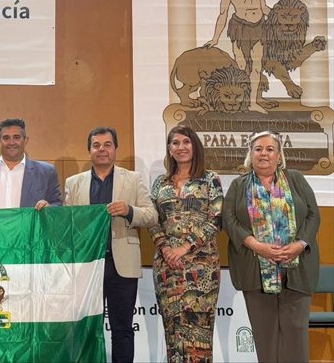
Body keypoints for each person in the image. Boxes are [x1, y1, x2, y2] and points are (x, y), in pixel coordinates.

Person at [222, 131, 320, 362]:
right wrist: (256, 245)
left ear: (279, 156)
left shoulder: (295, 179)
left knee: (296, 337)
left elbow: (313, 215)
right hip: (255, 272)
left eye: (269, 149)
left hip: (297, 270)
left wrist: (300, 244)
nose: (263, 154)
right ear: (250, 154)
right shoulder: (239, 186)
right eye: (258, 149)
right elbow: (229, 221)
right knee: (265, 339)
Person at [63, 127, 157, 362]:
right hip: (87, 267)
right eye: (97, 145)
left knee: (122, 329)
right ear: (89, 150)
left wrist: (129, 211)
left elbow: (152, 216)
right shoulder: (73, 183)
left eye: (107, 145)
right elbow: (65, 223)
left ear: (116, 149)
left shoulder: (133, 179)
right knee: (84, 329)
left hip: (121, 266)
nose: (102, 150)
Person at [148, 126, 223, 362]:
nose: (181, 147)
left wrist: (185, 246)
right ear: (169, 150)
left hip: (202, 267)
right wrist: (165, 248)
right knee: (173, 330)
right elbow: (152, 220)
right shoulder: (161, 182)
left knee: (198, 331)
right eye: (175, 143)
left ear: (195, 146)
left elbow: (216, 219)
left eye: (186, 142)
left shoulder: (210, 179)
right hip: (167, 267)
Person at [204, 0, 271, 113]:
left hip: (259, 27)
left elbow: (264, 7)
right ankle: (241, 102)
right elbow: (223, 11)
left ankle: (253, 102)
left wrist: (277, 15)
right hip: (240, 27)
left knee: (256, 67)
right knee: (242, 67)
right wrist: (215, 38)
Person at [0, 118, 61, 210]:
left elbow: (58, 206)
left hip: (29, 225)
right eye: (6, 138)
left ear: (26, 140)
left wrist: (48, 208)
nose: (11, 142)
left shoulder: (46, 172)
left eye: (16, 137)